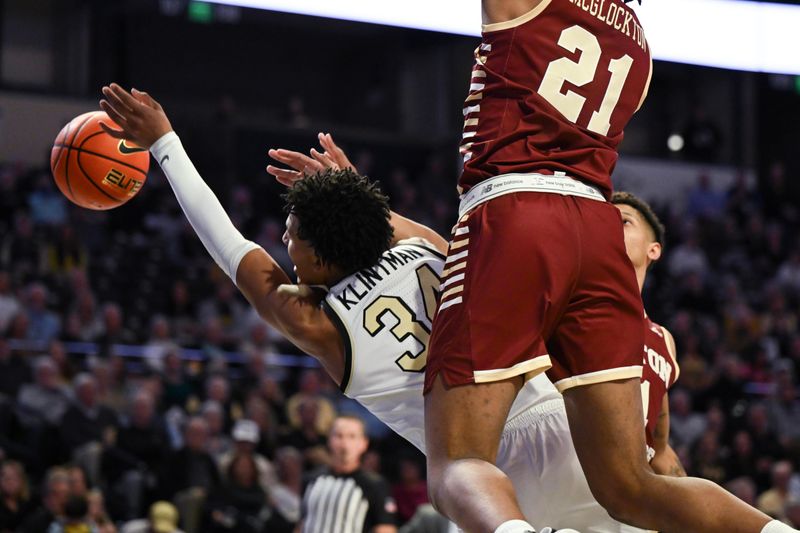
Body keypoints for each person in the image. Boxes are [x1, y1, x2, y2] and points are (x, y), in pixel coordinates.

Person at [97, 85, 793, 532]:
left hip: (496, 475)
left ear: (309, 258)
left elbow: (227, 243)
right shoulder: (435, 251)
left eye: (289, 236)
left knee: (458, 480)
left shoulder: (316, 323)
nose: (282, 243)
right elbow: (394, 227)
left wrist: (166, 145)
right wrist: (351, 188)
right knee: (650, 487)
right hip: (570, 428)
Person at [418, 0, 799, 531]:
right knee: (631, 486)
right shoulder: (638, 44)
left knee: (457, 463)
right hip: (597, 227)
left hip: (516, 205)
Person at [300, 415, 397, 533]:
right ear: (329, 439)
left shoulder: (374, 485)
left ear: (364, 443)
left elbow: (385, 528)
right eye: (339, 436)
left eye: (352, 437)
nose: (344, 444)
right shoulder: (312, 479)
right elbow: (302, 523)